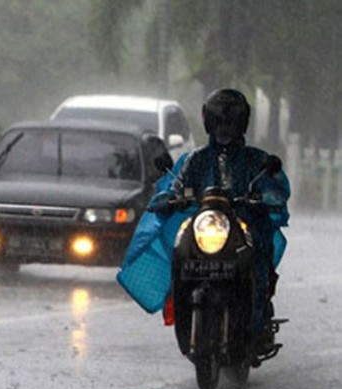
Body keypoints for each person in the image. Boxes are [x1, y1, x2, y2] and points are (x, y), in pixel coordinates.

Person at [117, 88, 290, 354]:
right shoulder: (194, 159)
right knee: (181, 252)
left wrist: (265, 197)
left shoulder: (257, 160)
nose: (225, 127)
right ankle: (181, 309)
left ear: (243, 122)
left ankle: (256, 321)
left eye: (231, 120)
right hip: (206, 226)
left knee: (258, 259)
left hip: (243, 228)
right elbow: (174, 186)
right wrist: (169, 198)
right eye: (219, 120)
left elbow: (275, 187)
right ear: (209, 121)